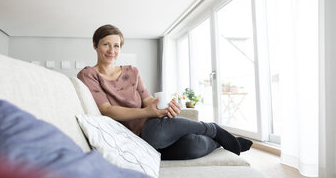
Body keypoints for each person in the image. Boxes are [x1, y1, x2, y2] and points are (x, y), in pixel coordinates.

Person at [77, 24, 252, 160]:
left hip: (150, 127)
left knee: (171, 138)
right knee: (184, 143)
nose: (112, 51)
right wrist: (146, 111)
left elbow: (147, 101)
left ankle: (215, 136)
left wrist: (163, 108)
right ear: (95, 45)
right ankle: (216, 136)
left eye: (116, 46)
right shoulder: (88, 74)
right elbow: (107, 110)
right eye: (106, 44)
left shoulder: (132, 71)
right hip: (130, 138)